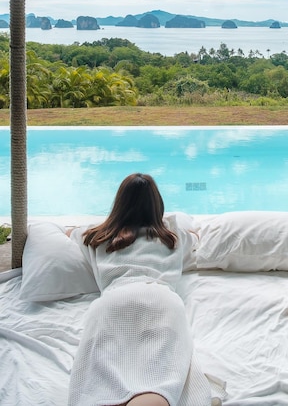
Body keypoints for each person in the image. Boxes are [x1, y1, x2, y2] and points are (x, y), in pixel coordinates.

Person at [67, 173, 218, 406]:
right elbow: (196, 236)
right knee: (157, 380)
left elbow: (69, 233)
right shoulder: (173, 236)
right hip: (161, 300)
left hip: (115, 300)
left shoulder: (97, 236)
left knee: (101, 384)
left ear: (119, 204)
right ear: (157, 204)